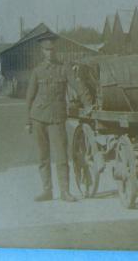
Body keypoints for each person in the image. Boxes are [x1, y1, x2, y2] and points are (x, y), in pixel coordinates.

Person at [25, 34, 92, 202]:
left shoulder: (64, 68)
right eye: (47, 50)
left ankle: (65, 192)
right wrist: (28, 121)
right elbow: (29, 97)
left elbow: (78, 86)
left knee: (62, 156)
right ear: (42, 51)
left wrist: (88, 103)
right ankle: (47, 190)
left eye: (52, 49)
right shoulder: (37, 71)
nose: (50, 53)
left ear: (56, 50)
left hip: (57, 118)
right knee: (43, 156)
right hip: (38, 118)